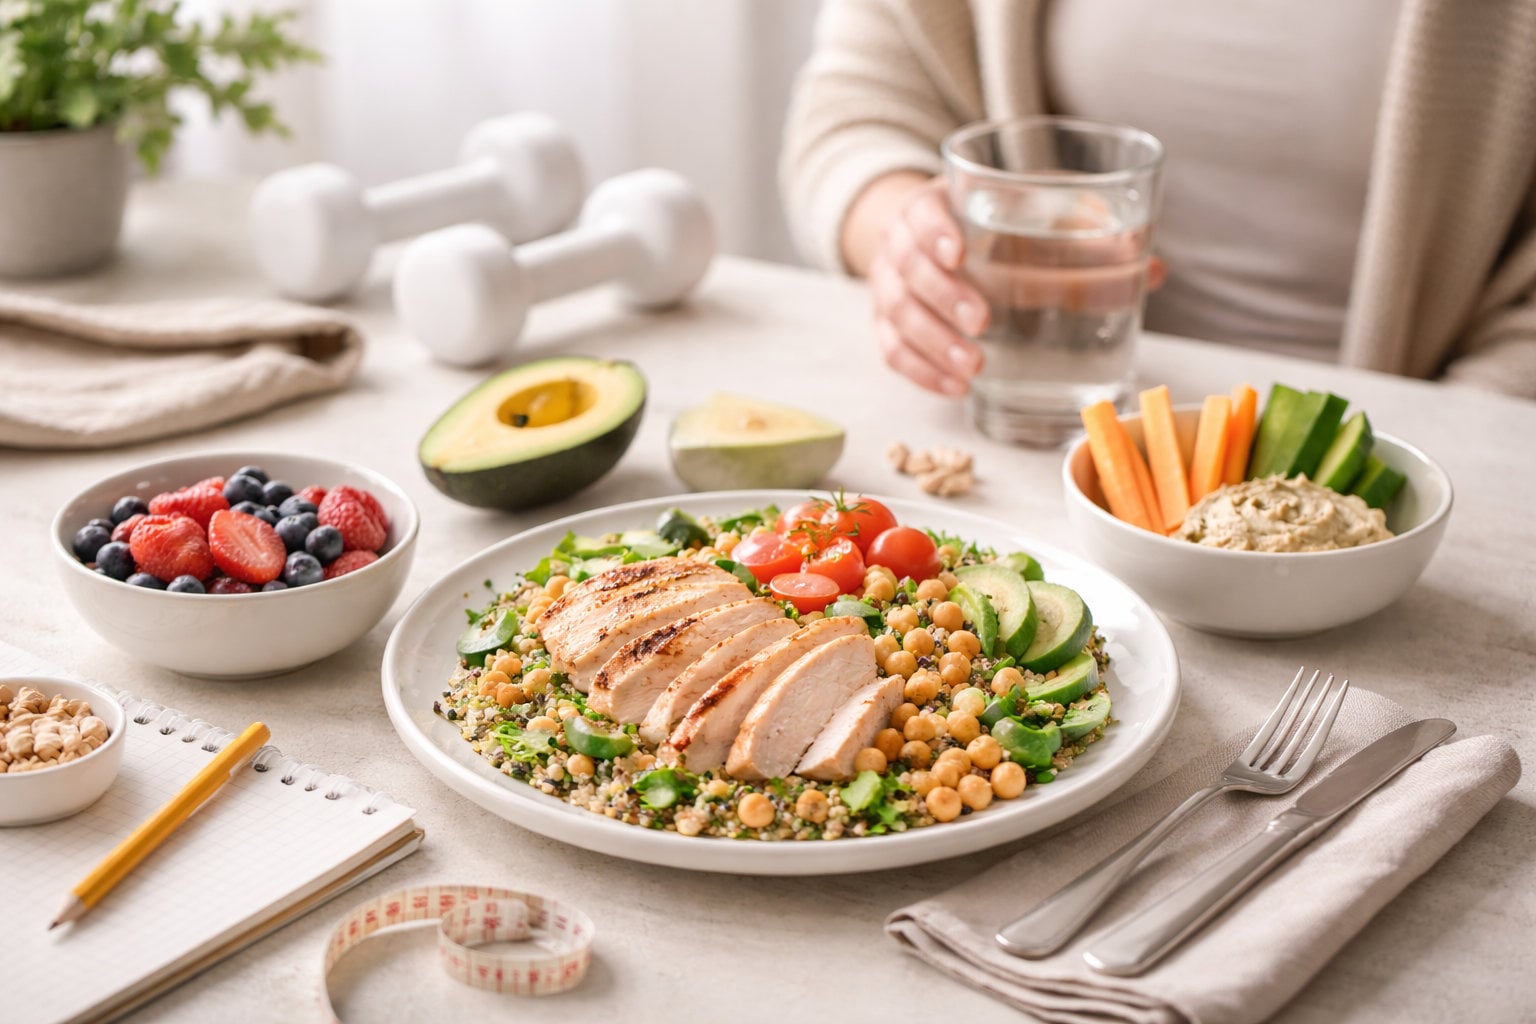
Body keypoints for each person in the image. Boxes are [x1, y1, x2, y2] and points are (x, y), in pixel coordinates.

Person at [780, 0, 1536, 400]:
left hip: (1428, 465)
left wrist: (1436, 453)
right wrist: (908, 238)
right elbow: (856, 106)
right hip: (1046, 441)